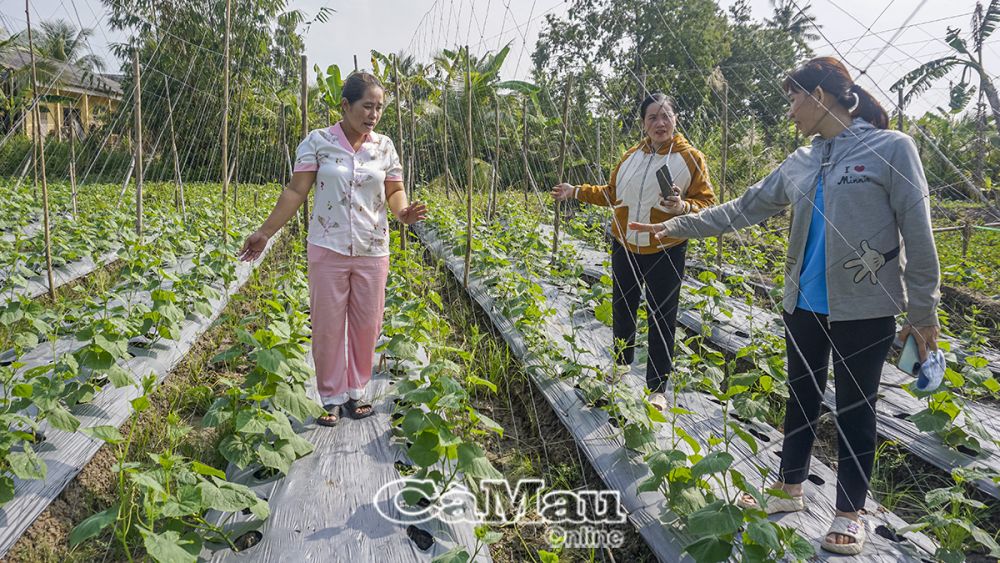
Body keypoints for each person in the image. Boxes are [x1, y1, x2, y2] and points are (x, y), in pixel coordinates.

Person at [629, 57, 940, 555]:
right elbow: (744, 208)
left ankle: (849, 512)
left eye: (795, 99)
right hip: (803, 303)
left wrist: (923, 313)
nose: (791, 111)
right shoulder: (801, 159)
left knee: (855, 409)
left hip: (865, 306)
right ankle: (789, 486)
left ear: (822, 96)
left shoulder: (891, 149)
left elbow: (919, 235)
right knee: (801, 396)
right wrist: (675, 226)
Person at [239, 71, 426, 426]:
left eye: (379, 108)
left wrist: (403, 212)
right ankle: (331, 397)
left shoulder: (384, 146)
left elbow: (394, 190)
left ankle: (356, 392)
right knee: (327, 324)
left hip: (373, 248)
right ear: (345, 105)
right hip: (327, 246)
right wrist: (265, 232)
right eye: (366, 106)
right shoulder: (318, 141)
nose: (373, 114)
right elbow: (296, 192)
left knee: (366, 325)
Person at [551, 93, 716, 410]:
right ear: (643, 123)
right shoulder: (630, 157)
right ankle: (620, 366)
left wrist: (682, 206)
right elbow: (612, 194)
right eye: (652, 117)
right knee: (622, 309)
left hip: (665, 249)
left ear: (676, 119)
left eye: (666, 115)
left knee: (661, 317)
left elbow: (707, 204)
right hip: (624, 245)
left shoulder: (691, 158)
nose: (660, 123)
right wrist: (575, 191)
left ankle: (656, 389)